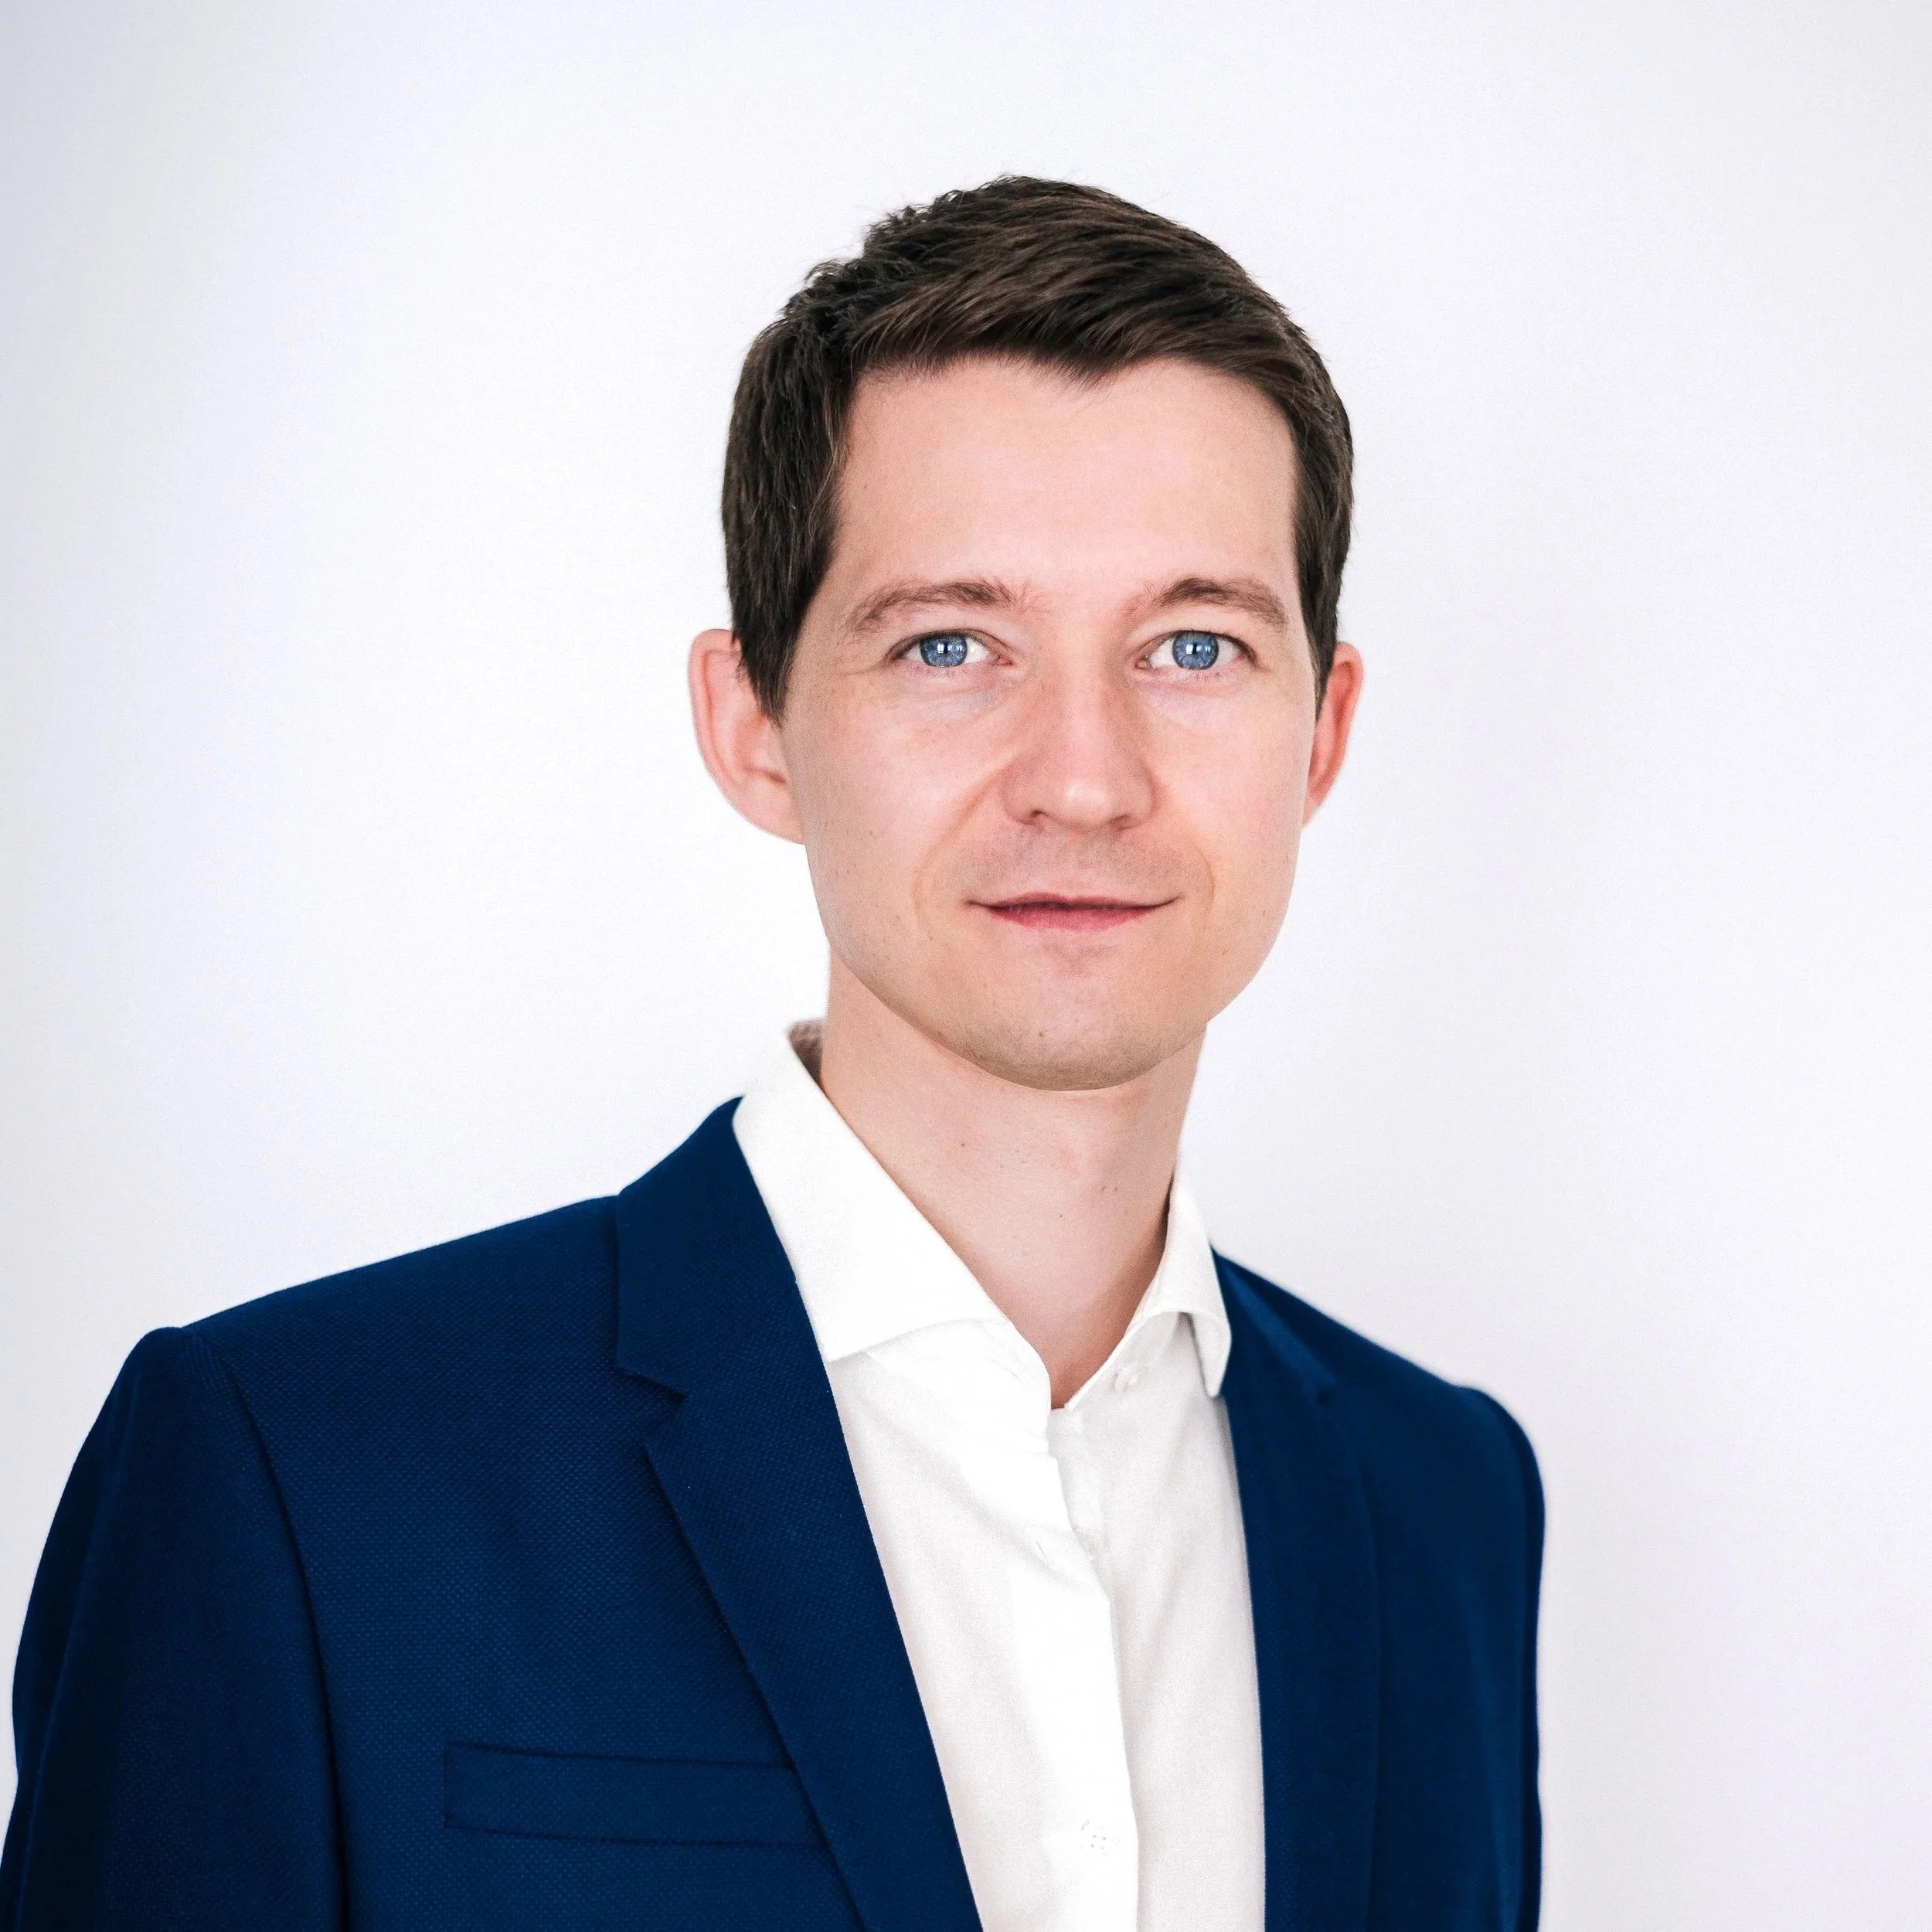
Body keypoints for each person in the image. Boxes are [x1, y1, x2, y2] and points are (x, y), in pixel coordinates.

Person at [1, 178, 1542, 1932]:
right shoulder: (296, 1476)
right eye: (950, 645)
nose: (1084, 777)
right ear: (753, 726)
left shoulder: (1445, 1507)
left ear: (1319, 732)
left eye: (1194, 647)